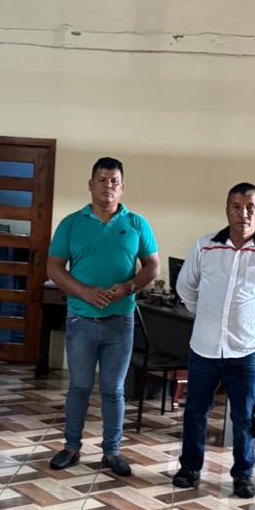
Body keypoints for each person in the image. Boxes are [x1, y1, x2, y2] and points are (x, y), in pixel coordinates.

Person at [173, 183, 255, 498]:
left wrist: (254, 319)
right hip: (205, 347)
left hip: (246, 350)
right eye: (236, 207)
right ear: (227, 210)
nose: (243, 214)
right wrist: (204, 313)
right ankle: (189, 468)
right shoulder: (205, 246)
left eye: (250, 207)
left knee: (243, 417)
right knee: (195, 411)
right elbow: (185, 287)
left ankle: (243, 474)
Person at [47, 158, 160, 476]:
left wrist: (129, 286)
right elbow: (53, 267)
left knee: (113, 389)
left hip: (119, 322)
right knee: (79, 387)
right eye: (102, 179)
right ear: (90, 184)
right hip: (80, 320)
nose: (107, 186)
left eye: (114, 181)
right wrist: (84, 292)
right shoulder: (71, 223)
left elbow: (153, 265)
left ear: (122, 187)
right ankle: (71, 447)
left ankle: (112, 452)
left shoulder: (136, 223)